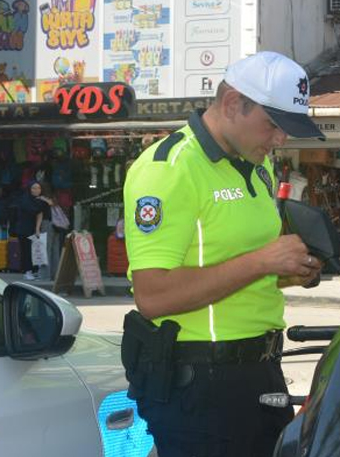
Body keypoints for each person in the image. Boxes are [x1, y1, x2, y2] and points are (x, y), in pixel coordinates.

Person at [122, 51, 327, 457]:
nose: (280, 141)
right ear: (233, 103)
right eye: (273, 126)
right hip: (202, 383)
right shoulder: (169, 169)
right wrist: (263, 261)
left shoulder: (256, 166)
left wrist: (291, 270)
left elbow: (235, 265)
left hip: (260, 369)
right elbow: (152, 296)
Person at [19, 181, 50, 280]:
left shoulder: (39, 200)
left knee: (35, 250)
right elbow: (37, 211)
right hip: (24, 228)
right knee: (27, 250)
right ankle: (27, 271)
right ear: (29, 189)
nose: (36, 190)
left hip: (34, 228)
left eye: (38, 188)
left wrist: (44, 200)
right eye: (34, 188)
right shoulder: (25, 199)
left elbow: (45, 210)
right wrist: (43, 201)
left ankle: (34, 271)